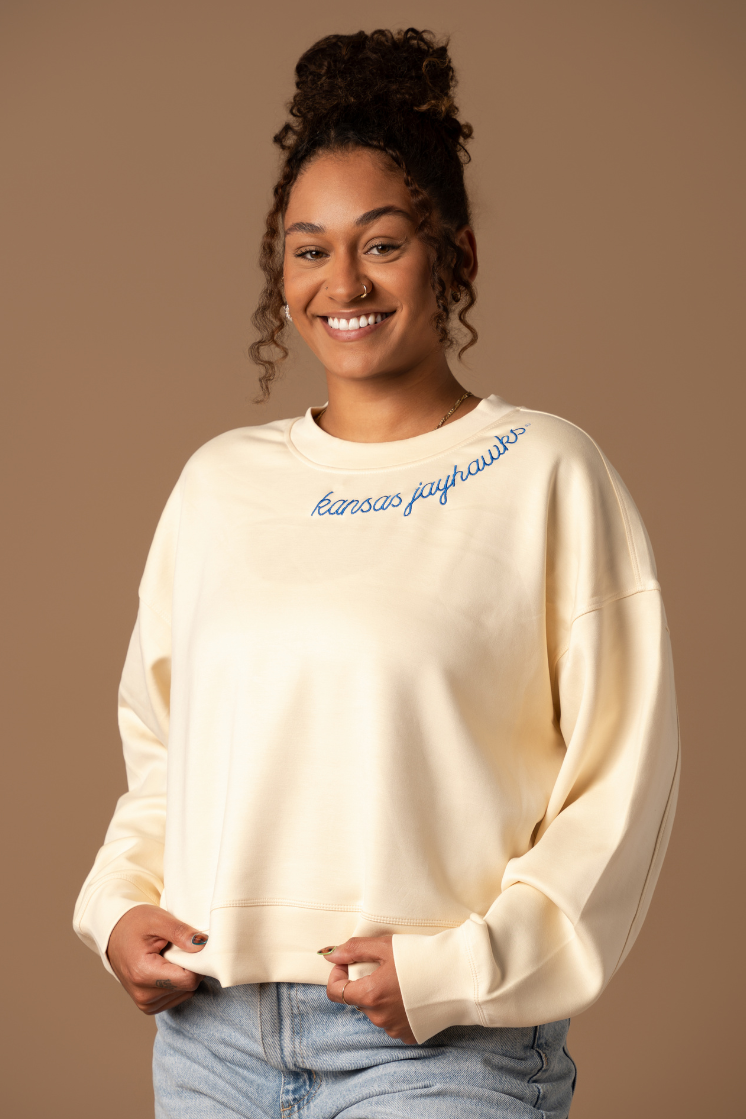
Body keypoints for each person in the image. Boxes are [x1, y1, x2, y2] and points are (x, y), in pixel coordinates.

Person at [74, 28, 680, 1119]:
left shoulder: (544, 472)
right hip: (210, 1037)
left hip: (439, 1046)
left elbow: (616, 781)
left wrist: (465, 969)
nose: (341, 282)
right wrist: (119, 902)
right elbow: (166, 751)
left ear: (456, 255)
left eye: (382, 243)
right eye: (309, 250)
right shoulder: (219, 485)